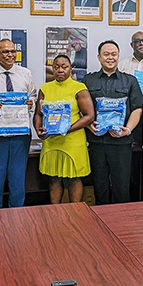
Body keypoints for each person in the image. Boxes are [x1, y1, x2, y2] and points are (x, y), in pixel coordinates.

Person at [0, 38, 37, 209]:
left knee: (18, 178)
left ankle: (17, 217)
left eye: (12, 51)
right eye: (5, 51)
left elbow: (32, 95)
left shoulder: (26, 74)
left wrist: (31, 103)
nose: (10, 55)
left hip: (20, 134)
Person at [82, 40, 143, 204]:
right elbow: (80, 108)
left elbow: (137, 108)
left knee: (121, 187)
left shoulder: (130, 81)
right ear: (99, 57)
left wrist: (128, 130)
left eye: (113, 54)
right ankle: (101, 223)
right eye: (106, 54)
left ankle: (121, 225)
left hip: (121, 142)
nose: (110, 57)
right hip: (97, 142)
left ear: (118, 57)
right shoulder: (88, 81)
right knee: (100, 186)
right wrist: (88, 124)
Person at [33, 55, 94, 204]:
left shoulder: (79, 88)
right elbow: (38, 114)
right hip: (52, 141)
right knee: (53, 178)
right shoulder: (45, 88)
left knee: (73, 178)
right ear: (52, 69)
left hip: (72, 141)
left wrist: (68, 129)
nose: (60, 70)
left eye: (64, 67)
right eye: (56, 67)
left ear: (70, 69)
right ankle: (55, 211)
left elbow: (89, 115)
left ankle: (75, 211)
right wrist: (38, 129)